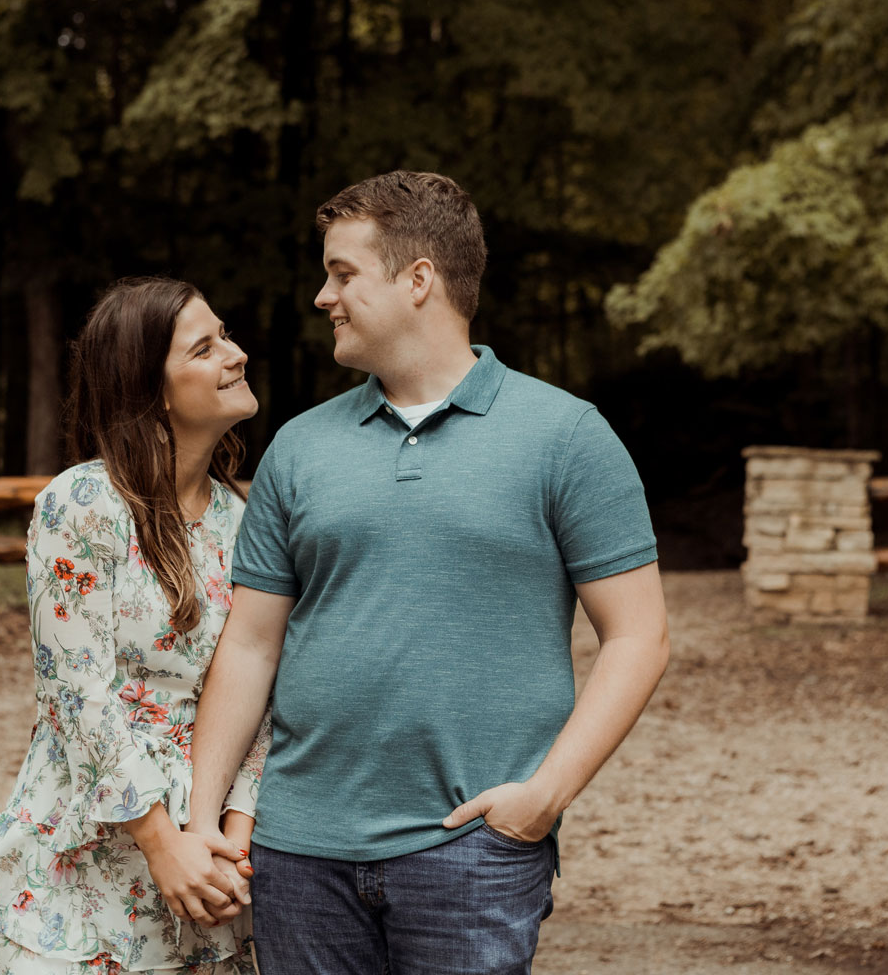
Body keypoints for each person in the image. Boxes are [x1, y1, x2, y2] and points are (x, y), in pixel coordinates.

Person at [174, 171, 671, 975]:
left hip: (472, 849)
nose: (321, 296)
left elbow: (639, 637)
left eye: (342, 273)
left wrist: (543, 799)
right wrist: (203, 817)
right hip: (297, 854)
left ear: (418, 281)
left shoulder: (567, 436)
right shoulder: (299, 447)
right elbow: (251, 646)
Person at [0, 277, 269, 975]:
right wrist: (160, 843)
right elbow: (75, 693)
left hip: (211, 860)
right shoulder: (82, 505)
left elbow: (265, 692)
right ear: (156, 391)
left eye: (225, 335)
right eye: (205, 348)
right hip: (92, 851)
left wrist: (232, 841)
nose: (235, 355)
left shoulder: (249, 524)